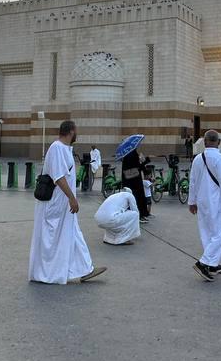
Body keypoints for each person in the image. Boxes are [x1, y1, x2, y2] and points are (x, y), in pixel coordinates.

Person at [29, 120, 105, 284]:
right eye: (76, 131)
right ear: (71, 132)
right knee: (52, 238)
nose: (77, 134)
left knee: (73, 234)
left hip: (63, 205)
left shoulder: (64, 149)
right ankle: (46, 273)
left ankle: (86, 269)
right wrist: (72, 198)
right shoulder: (57, 148)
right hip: (56, 203)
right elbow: (59, 177)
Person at [189, 129, 221, 281]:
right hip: (217, 201)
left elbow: (192, 181)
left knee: (207, 232)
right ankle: (204, 262)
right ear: (219, 142)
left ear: (204, 142)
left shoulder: (197, 159)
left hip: (202, 201)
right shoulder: (220, 158)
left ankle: (212, 264)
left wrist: (192, 201)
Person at [120, 142, 151, 224]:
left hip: (130, 180)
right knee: (137, 198)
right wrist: (145, 161)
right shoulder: (132, 155)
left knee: (134, 198)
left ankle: (138, 215)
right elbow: (137, 168)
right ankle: (139, 216)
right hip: (134, 181)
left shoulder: (128, 154)